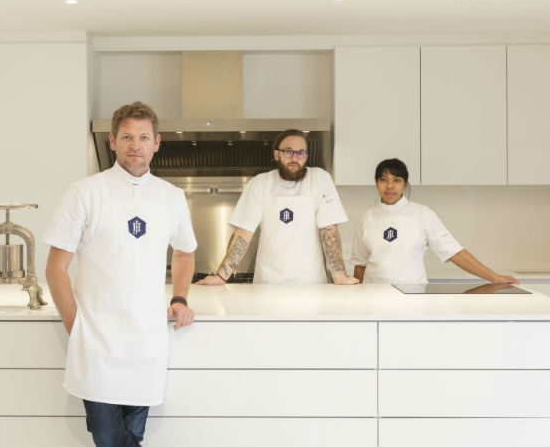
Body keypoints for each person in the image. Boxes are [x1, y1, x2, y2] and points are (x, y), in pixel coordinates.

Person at [42, 101, 197, 447]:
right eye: (126, 136)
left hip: (147, 339)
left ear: (157, 143)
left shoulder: (171, 197)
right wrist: (74, 324)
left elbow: (185, 251)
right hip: (97, 338)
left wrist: (180, 297)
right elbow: (55, 268)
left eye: (143, 137)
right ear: (112, 141)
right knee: (107, 435)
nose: (135, 145)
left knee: (131, 435)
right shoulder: (84, 192)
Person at [197, 129, 358, 285]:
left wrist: (339, 276)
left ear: (306, 156)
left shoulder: (319, 179)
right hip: (268, 283)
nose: (295, 158)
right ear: (276, 154)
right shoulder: (259, 184)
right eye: (288, 152)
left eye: (301, 153)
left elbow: (328, 229)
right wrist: (221, 276)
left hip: (311, 284)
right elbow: (243, 234)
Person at [351, 158, 518, 285]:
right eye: (383, 179)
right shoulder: (367, 218)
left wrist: (494, 277)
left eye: (397, 180)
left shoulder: (422, 214)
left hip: (413, 296)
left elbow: (454, 252)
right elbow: (360, 265)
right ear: (376, 183)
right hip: (375, 297)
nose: (390, 186)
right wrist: (358, 298)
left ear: (405, 185)